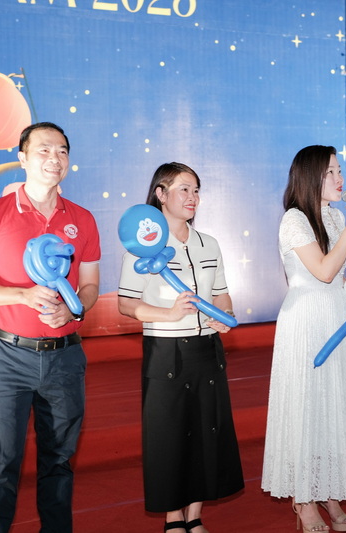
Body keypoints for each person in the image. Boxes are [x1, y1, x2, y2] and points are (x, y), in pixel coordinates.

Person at [0, 122, 101, 533]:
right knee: (1, 462)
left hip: (65, 358)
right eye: (43, 150)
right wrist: (21, 295)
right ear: (21, 158)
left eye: (62, 151)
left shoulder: (83, 220)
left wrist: (73, 313)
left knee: (59, 461)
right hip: (8, 358)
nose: (54, 158)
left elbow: (90, 287)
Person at [117, 162, 244, 533]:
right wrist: (168, 314)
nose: (193, 198)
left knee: (207, 432)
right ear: (161, 194)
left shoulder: (209, 244)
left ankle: (195, 515)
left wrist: (226, 315)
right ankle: (173, 518)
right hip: (166, 352)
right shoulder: (141, 247)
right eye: (184, 189)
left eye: (196, 190)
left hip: (208, 350)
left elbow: (221, 294)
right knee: (169, 435)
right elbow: (126, 304)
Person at [261, 146, 346, 532]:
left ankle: (329, 491)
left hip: (335, 319)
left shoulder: (334, 216)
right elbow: (322, 271)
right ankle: (303, 501)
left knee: (332, 405)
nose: (340, 179)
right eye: (331, 173)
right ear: (310, 177)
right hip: (305, 322)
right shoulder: (294, 219)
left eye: (340, 171)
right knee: (306, 408)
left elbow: (337, 277)